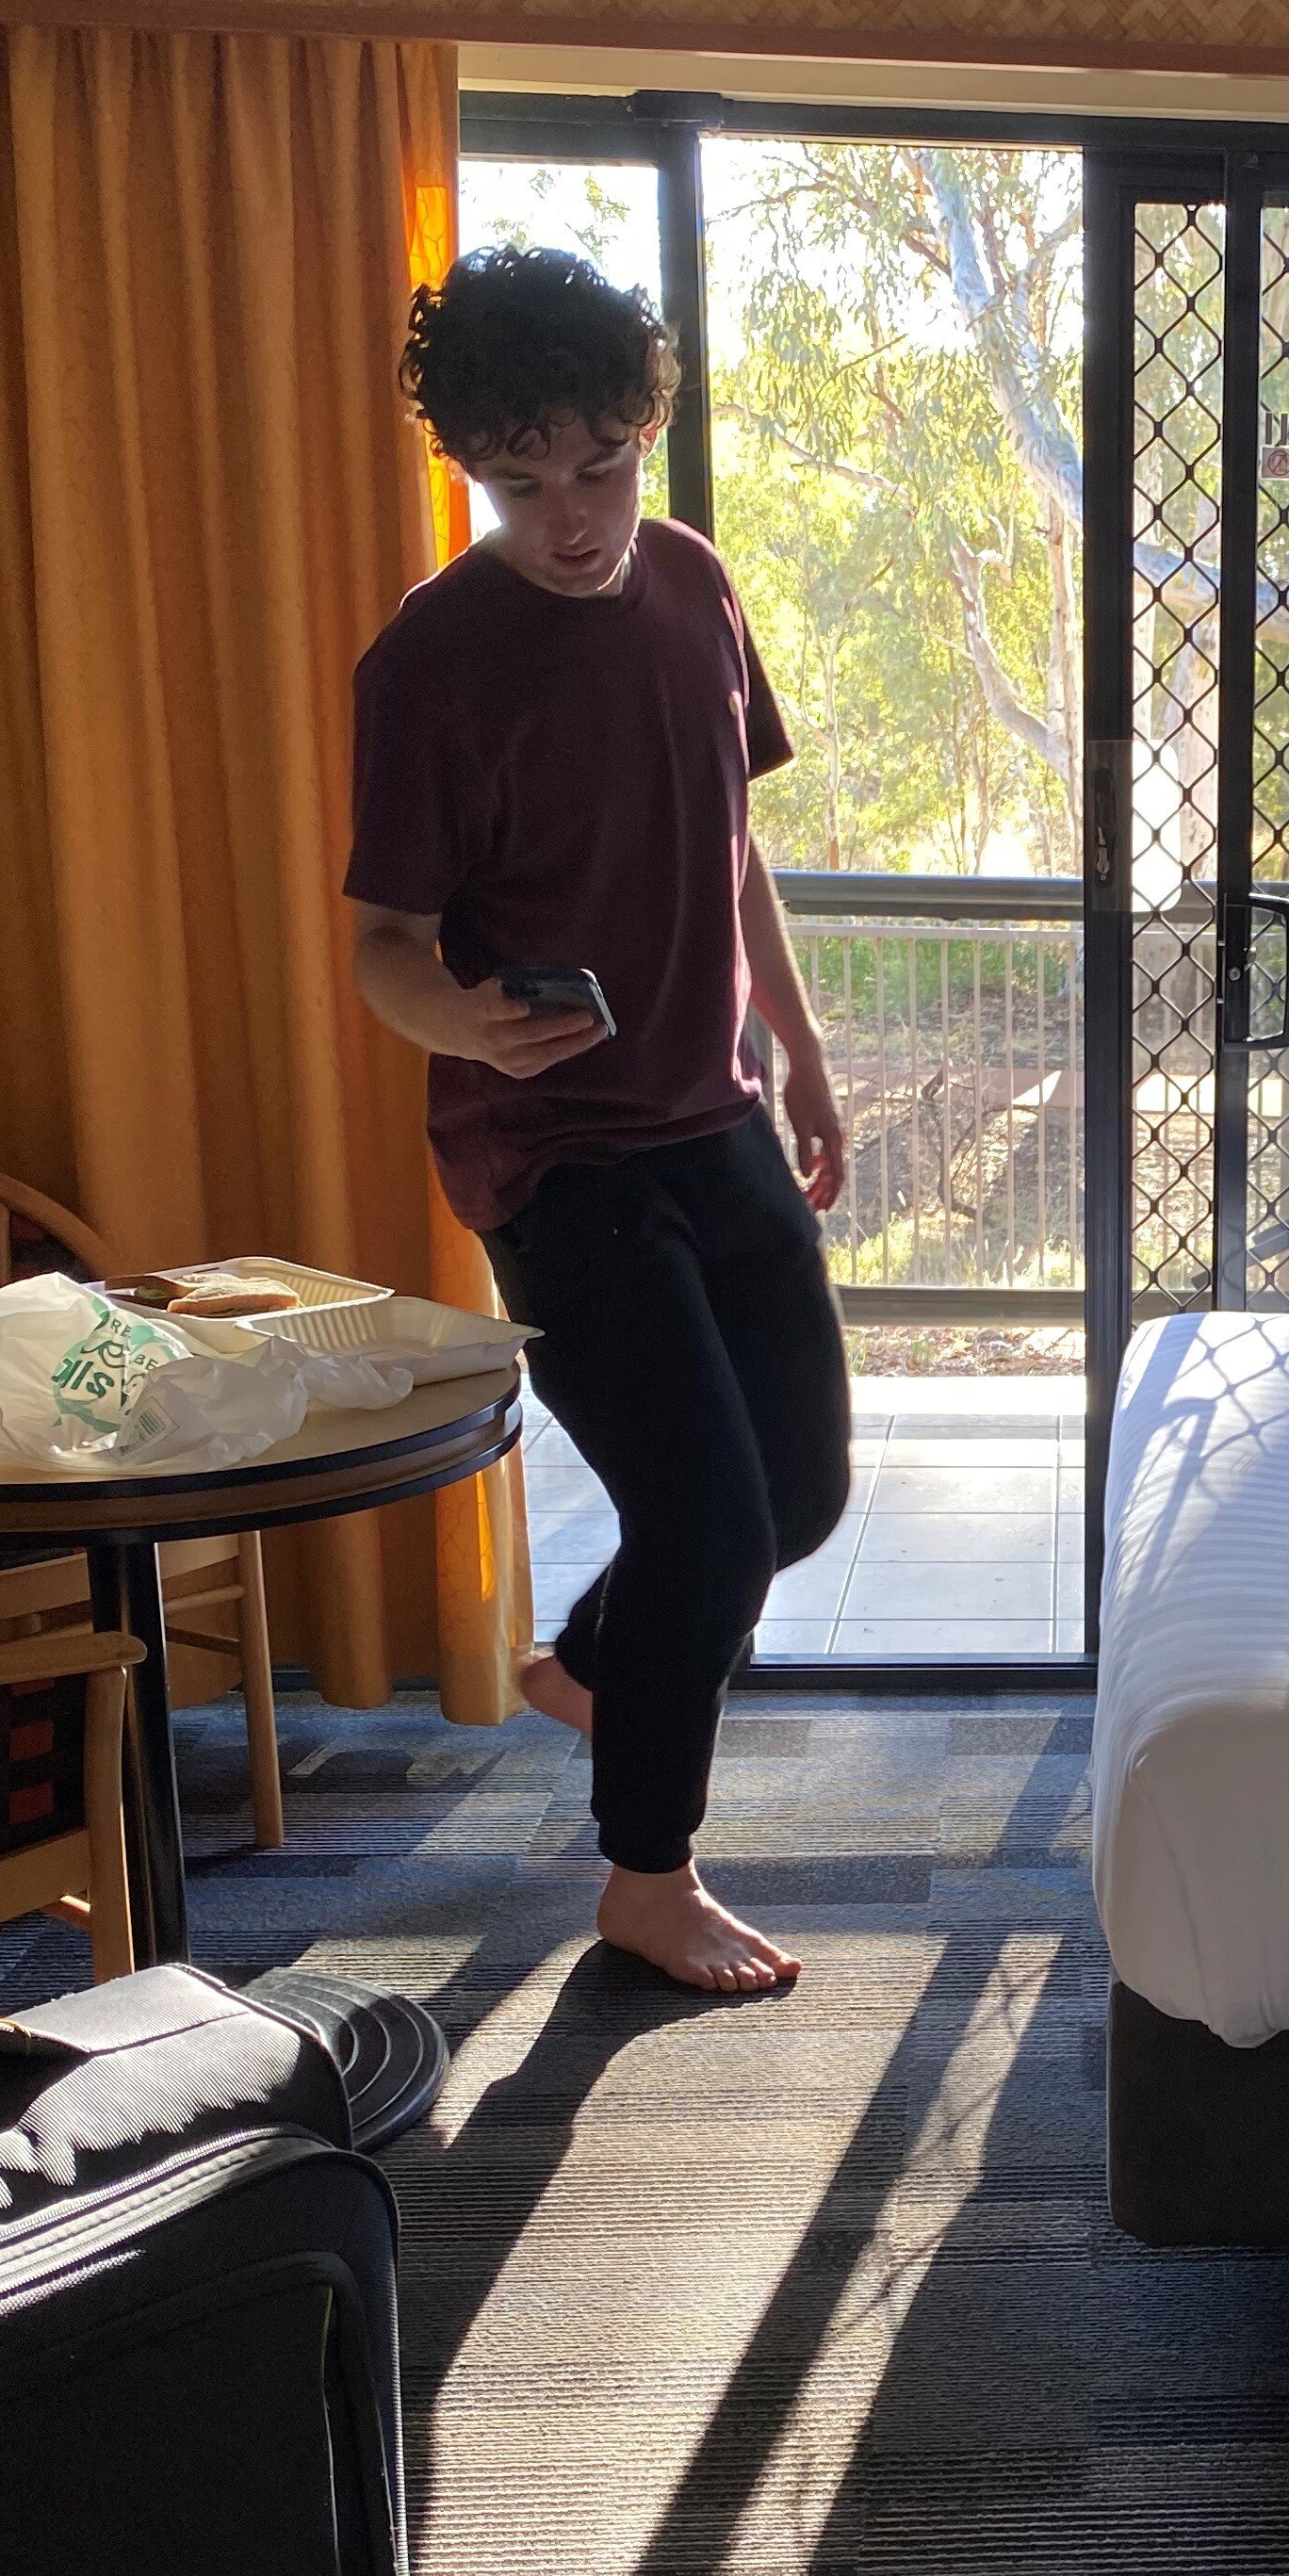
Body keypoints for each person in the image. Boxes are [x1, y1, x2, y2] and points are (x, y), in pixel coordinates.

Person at [347, 242, 852, 1996]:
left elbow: (734, 846)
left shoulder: (695, 584)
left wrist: (799, 1046)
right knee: (704, 1527)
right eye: (522, 482)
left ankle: (586, 1664)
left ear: (650, 426)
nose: (571, 518)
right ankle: (647, 1877)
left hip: (712, 1112)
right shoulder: (429, 664)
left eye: (603, 467)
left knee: (798, 1500)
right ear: (471, 470)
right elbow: (384, 946)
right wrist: (468, 1020)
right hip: (551, 1154)